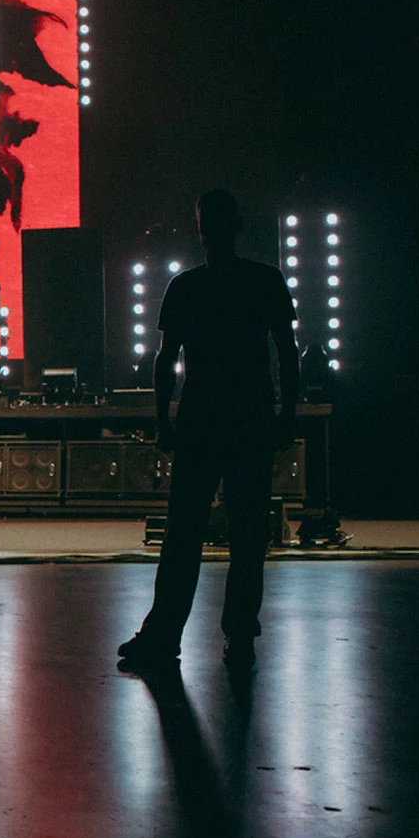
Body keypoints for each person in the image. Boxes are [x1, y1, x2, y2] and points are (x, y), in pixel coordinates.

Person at [118, 190, 300, 671]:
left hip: (201, 418)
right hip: (250, 416)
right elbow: (286, 352)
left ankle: (163, 635)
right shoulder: (265, 280)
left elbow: (166, 359)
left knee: (184, 533)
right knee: (246, 534)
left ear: (202, 229)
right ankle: (239, 635)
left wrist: (163, 420)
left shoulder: (186, 287)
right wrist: (287, 415)